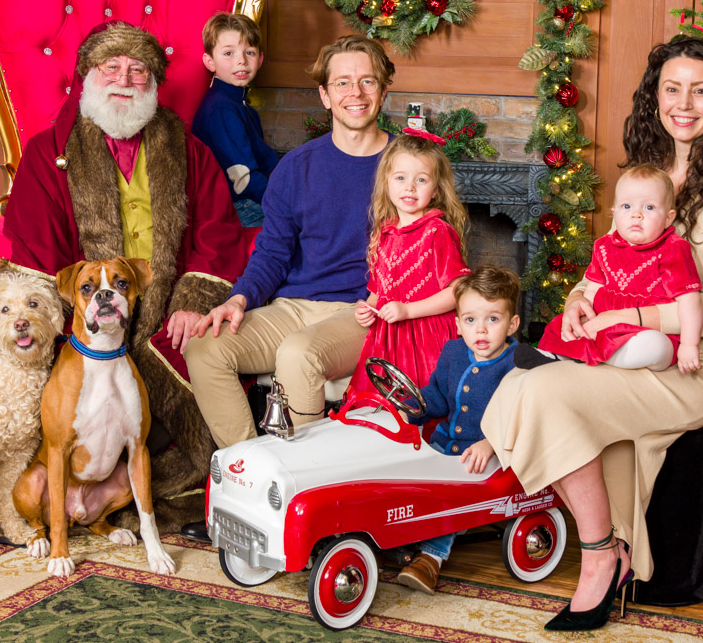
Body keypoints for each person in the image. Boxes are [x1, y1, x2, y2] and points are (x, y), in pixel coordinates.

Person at [481, 36, 703, 631]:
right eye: (672, 88)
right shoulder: (645, 176)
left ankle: (596, 560)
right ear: (654, 97)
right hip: (619, 348)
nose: (684, 103)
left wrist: (634, 319)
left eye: (700, 90)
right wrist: (581, 303)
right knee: (523, 380)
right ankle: (606, 546)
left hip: (698, 364)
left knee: (543, 391)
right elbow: (602, 267)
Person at [2, 21, 247, 531]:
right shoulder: (50, 154)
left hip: (164, 317)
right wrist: (83, 312)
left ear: (153, 84)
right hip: (86, 322)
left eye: (138, 70)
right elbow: (35, 248)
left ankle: (179, 493)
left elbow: (217, 233)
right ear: (87, 76)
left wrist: (193, 299)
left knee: (196, 371)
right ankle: (74, 497)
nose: (123, 79)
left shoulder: (189, 150)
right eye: (110, 67)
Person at [185, 34, 395, 448]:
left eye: (367, 81)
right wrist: (239, 299)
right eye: (342, 83)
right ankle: (252, 468)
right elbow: (273, 252)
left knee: (299, 355)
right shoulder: (296, 167)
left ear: (383, 90)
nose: (355, 93)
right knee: (205, 349)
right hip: (293, 308)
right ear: (324, 95)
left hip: (362, 312)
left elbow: (430, 252)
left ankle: (306, 484)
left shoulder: (407, 166)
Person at [395, 267, 554, 594]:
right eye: (470, 320)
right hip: (443, 444)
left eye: (492, 319)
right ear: (457, 323)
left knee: (451, 493)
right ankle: (404, 535)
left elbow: (524, 416)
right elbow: (437, 395)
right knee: (406, 476)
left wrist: (490, 443)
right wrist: (407, 409)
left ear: (512, 325)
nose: (480, 329)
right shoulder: (453, 352)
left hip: (487, 457)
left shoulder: (518, 363)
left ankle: (431, 558)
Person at [536, 165, 703, 375]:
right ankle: (561, 352)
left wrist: (690, 345)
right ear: (614, 214)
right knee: (559, 326)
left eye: (649, 208)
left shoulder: (673, 249)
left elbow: (690, 301)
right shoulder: (604, 246)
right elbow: (592, 289)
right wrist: (585, 319)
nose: (636, 215)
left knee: (654, 346)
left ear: (668, 218)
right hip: (605, 325)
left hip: (646, 329)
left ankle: (584, 356)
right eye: (627, 207)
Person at [347, 130, 471, 395]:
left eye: (421, 179)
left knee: (419, 406)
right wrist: (367, 309)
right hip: (387, 339)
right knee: (380, 406)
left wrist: (408, 310)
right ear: (387, 182)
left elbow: (458, 292)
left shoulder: (437, 232)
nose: (409, 187)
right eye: (400, 178)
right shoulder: (385, 232)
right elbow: (377, 291)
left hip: (427, 339)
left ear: (436, 190)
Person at [191, 12, 279, 227]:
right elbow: (243, 179)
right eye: (228, 53)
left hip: (251, 198)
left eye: (249, 52)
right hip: (238, 206)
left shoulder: (243, 108)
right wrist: (283, 204)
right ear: (210, 62)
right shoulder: (221, 109)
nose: (241, 61)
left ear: (259, 60)